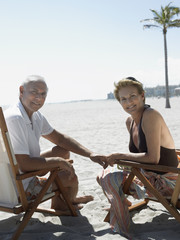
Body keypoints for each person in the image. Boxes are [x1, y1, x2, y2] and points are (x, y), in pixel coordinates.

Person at [5, 75, 108, 214]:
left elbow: (60, 139)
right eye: (34, 92)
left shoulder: (35, 115)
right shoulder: (15, 118)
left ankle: (64, 200)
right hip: (18, 188)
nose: (39, 98)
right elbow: (24, 164)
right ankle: (64, 204)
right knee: (70, 178)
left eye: (43, 94)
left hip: (20, 172)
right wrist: (57, 162)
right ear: (22, 90)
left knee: (62, 151)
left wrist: (90, 154)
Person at [97, 77, 179, 238]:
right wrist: (119, 161)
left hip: (169, 182)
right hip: (148, 175)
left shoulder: (150, 115)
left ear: (142, 96)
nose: (129, 102)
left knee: (108, 178)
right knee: (102, 174)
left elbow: (153, 158)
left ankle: (122, 224)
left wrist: (119, 156)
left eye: (133, 96)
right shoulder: (130, 121)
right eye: (123, 99)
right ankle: (120, 203)